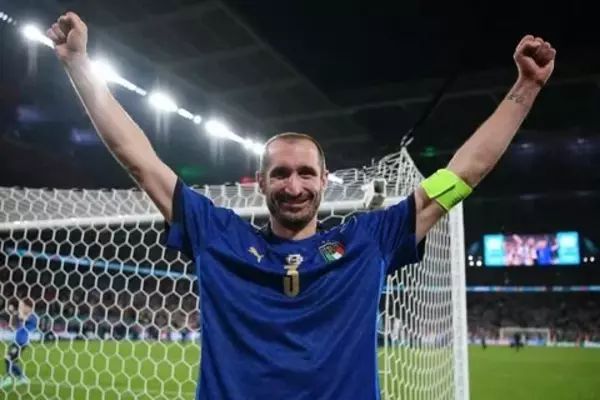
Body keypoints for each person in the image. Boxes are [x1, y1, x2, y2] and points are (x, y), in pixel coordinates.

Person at [46, 12, 556, 400]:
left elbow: (463, 175)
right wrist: (79, 64)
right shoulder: (218, 236)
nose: (294, 186)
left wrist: (526, 87)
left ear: (325, 181)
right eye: (281, 173)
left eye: (306, 173)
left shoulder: (368, 241)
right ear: (261, 184)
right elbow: (138, 160)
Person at [1, 299, 38, 388]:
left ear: (29, 307)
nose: (22, 308)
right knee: (12, 360)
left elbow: (23, 317)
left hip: (21, 342)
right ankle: (21, 378)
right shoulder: (25, 315)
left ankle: (9, 378)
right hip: (17, 341)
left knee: (8, 358)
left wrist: (18, 309)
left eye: (24, 306)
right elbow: (18, 319)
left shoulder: (33, 316)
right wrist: (13, 311)